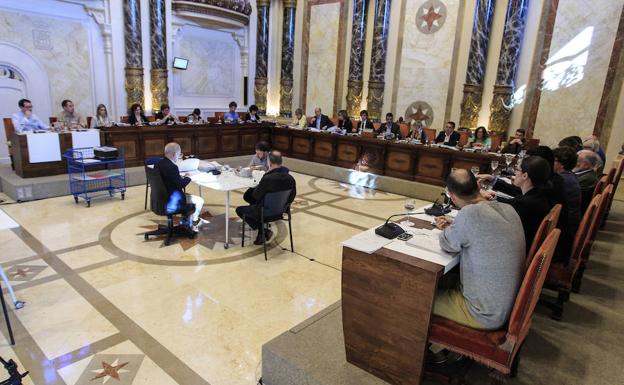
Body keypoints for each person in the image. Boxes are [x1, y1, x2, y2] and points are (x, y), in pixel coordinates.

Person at [433, 169, 525, 332]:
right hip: (504, 303)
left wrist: (450, 228)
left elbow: (447, 244)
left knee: (415, 295)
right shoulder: (509, 209)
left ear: (452, 197)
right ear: (478, 186)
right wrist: (456, 225)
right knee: (436, 282)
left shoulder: (469, 214)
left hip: (483, 313)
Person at [485, 156, 553, 253]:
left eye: (517, 169)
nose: (515, 173)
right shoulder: (538, 194)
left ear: (525, 176)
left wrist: (479, 197)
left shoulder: (526, 203)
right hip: (522, 243)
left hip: (513, 250)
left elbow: (509, 208)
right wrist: (492, 196)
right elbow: (513, 201)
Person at [236, 151, 296, 245]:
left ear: (269, 162)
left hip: (265, 212)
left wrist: (256, 185)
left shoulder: (268, 178)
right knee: (253, 202)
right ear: (281, 161)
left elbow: (256, 195)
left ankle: (263, 230)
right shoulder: (290, 178)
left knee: (239, 210)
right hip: (281, 212)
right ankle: (262, 232)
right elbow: (291, 197)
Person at [155, 142, 206, 232]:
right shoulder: (172, 167)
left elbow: (170, 179)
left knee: (188, 196)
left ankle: (185, 221)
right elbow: (181, 185)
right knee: (199, 201)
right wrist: (188, 177)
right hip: (172, 201)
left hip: (160, 199)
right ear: (174, 154)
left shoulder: (158, 164)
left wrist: (180, 177)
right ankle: (193, 223)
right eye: (179, 154)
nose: (179, 156)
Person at [553, 146, 582, 263]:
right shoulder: (569, 176)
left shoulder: (561, 181)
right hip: (567, 227)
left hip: (563, 234)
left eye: (553, 160)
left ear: (561, 164)